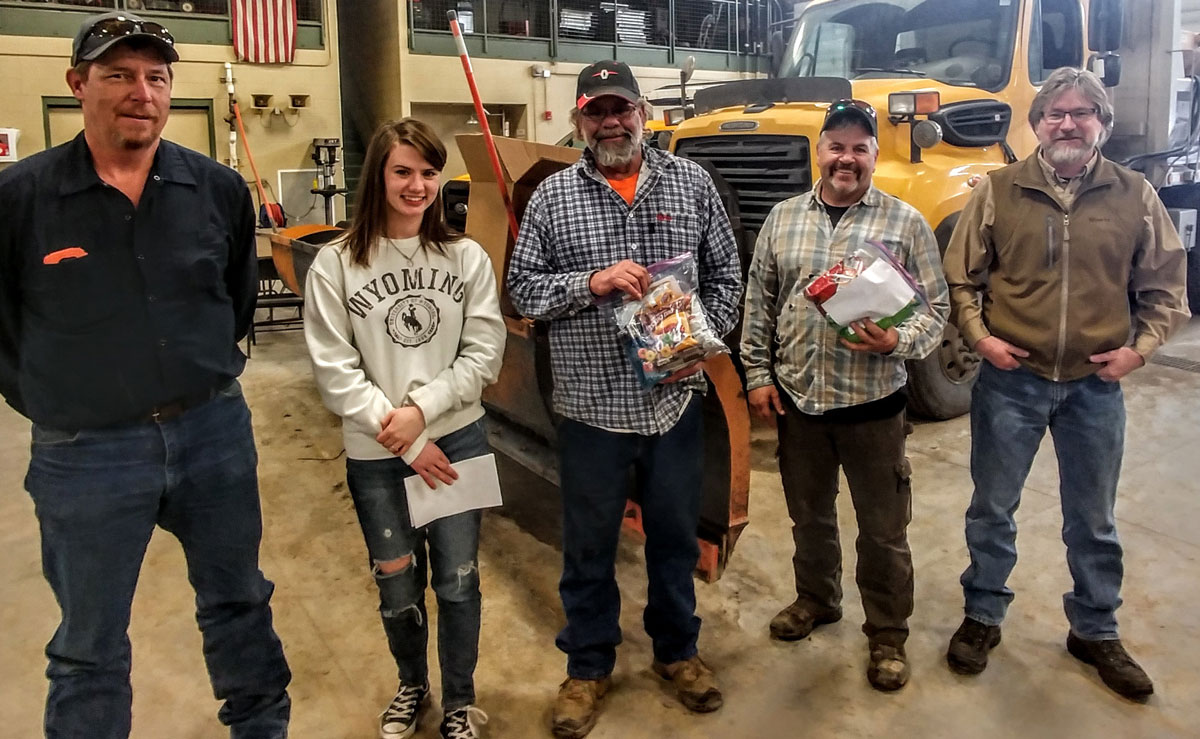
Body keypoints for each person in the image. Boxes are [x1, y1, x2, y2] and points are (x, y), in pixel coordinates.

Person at [0, 12, 291, 738]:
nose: (141, 92)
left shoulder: (217, 189)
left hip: (212, 432)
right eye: (119, 75)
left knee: (241, 604)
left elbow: (236, 299)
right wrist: (46, 398)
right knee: (89, 645)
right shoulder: (20, 199)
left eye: (156, 77)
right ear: (77, 85)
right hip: (85, 453)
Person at [507, 60, 741, 738]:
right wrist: (594, 281)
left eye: (623, 109)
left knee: (673, 538)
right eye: (597, 111)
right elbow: (524, 290)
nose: (612, 122)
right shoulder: (552, 198)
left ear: (644, 113)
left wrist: (698, 341)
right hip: (591, 409)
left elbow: (728, 275)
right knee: (588, 545)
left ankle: (677, 652)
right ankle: (587, 664)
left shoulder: (691, 183)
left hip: (674, 403)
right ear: (579, 120)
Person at [942, 67, 1189, 700]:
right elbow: (961, 278)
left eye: (1083, 114)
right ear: (1037, 123)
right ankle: (983, 614)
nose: (1068, 124)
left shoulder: (1134, 194)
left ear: (1102, 125)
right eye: (1056, 113)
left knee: (1093, 518)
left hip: (1094, 386)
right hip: (1011, 381)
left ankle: (1095, 629)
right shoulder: (998, 190)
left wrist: (1141, 351)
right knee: (992, 509)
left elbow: (1166, 287)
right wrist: (981, 338)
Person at [303, 118, 504, 739]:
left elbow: (484, 352)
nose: (416, 185)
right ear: (379, 177)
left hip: (458, 441)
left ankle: (459, 702)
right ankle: (412, 686)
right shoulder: (335, 264)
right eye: (402, 171)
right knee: (397, 581)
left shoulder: (465, 256)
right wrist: (408, 440)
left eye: (427, 172)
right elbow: (334, 373)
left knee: (459, 580)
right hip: (376, 455)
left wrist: (423, 414)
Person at [740, 99, 949, 691]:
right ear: (820, 150)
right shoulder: (783, 218)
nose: (846, 158)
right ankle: (817, 600)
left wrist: (895, 342)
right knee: (809, 518)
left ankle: (887, 633)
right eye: (837, 145)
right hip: (800, 403)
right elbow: (760, 303)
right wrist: (757, 375)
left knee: (883, 528)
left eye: (860, 148)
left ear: (874, 157)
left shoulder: (905, 223)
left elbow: (936, 314)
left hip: (874, 408)